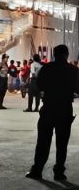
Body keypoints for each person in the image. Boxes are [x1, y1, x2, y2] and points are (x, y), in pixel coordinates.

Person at [26, 44, 79, 182]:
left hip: (49, 108)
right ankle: (59, 172)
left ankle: (37, 170)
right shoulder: (73, 70)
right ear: (67, 55)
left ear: (54, 55)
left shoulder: (47, 68)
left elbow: (39, 85)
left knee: (43, 141)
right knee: (62, 143)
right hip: (65, 109)